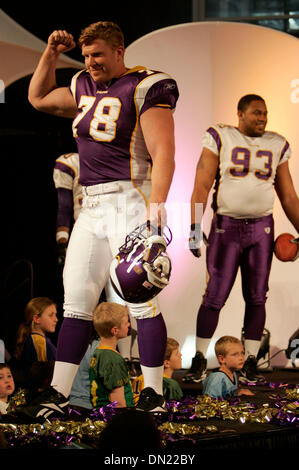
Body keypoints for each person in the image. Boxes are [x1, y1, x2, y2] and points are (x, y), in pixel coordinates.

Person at [22, 21, 178, 420]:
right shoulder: (81, 84)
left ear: (119, 51)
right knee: (76, 299)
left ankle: (154, 393)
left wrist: (154, 214)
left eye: (99, 55)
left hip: (130, 197)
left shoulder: (146, 85)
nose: (91, 62)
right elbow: (37, 98)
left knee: (140, 301)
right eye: (87, 55)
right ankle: (58, 393)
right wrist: (51, 54)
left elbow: (164, 154)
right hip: (90, 206)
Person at [185, 94, 299, 384]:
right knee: (214, 296)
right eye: (257, 113)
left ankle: (249, 361)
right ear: (240, 113)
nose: (262, 118)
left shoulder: (277, 143)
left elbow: (288, 196)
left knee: (257, 296)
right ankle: (199, 356)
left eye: (266, 114)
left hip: (262, 227)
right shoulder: (220, 136)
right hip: (227, 227)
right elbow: (201, 184)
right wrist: (195, 228)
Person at [53, 151, 139, 370]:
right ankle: (65, 380)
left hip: (120, 225)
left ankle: (127, 359)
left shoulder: (121, 153)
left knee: (122, 298)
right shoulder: (70, 162)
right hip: (88, 230)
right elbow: (64, 205)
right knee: (78, 303)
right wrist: (62, 239)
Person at [89, 302, 134, 408]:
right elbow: (117, 401)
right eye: (126, 322)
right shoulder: (112, 358)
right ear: (115, 330)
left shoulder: (99, 352)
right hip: (115, 417)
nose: (128, 324)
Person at [132, 337, 183, 403]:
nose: (180, 355)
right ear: (166, 363)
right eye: (176, 353)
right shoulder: (168, 385)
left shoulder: (140, 378)